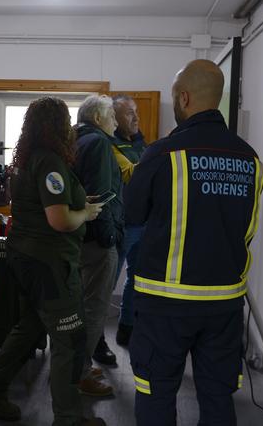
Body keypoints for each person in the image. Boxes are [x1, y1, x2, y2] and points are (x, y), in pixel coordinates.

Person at [125, 60, 263, 426]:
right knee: (218, 396)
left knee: (157, 393)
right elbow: (245, 227)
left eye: (174, 97)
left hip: (165, 303)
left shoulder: (162, 154)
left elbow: (132, 213)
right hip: (224, 304)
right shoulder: (250, 159)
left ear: (184, 97)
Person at [0, 97, 105, 426]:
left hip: (24, 258)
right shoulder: (49, 162)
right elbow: (60, 220)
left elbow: (46, 203)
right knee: (69, 340)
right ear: (59, 126)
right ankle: (68, 417)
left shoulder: (26, 159)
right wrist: (86, 212)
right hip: (49, 265)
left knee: (30, 327)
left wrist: (76, 201)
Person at [72, 95, 124, 393]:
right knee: (94, 310)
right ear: (97, 119)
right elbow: (102, 195)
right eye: (112, 117)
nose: (115, 122)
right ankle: (79, 375)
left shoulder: (73, 141)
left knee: (81, 308)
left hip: (78, 238)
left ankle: (77, 366)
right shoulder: (101, 143)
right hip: (98, 242)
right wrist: (109, 238)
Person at [110, 95, 148, 346]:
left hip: (145, 223)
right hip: (122, 225)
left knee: (137, 279)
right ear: (114, 119)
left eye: (135, 112)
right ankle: (95, 340)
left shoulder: (141, 144)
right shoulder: (109, 145)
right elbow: (131, 175)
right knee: (108, 281)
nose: (135, 118)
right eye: (128, 113)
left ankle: (127, 327)